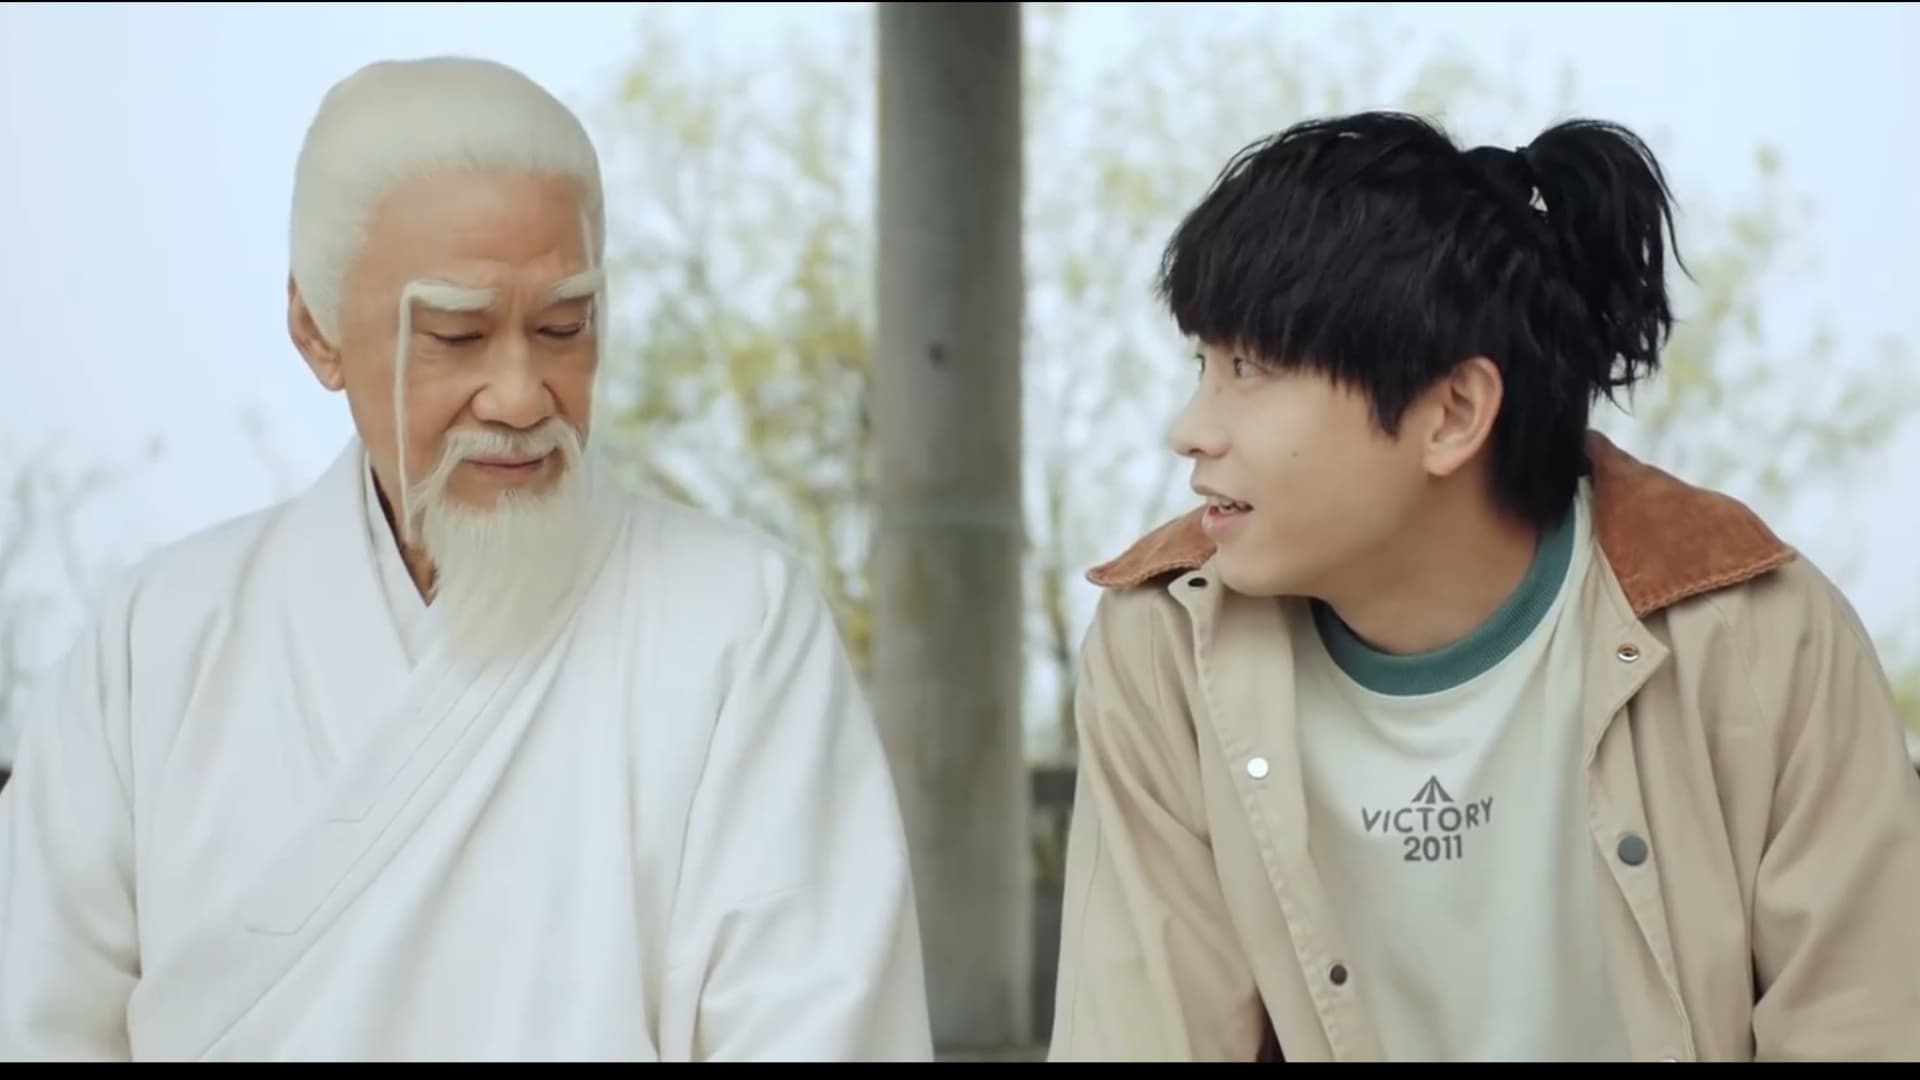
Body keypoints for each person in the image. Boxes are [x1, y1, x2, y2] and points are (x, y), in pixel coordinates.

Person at [0, 56, 932, 1063]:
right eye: (456, 333)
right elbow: (37, 1016)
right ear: (315, 330)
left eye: (564, 327)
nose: (522, 395)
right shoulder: (156, 644)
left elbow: (816, 1026)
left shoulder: (737, 623)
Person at [1047, 110, 1920, 1063]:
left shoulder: (1753, 635)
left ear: (1453, 413)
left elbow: (1866, 1025)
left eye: (1250, 368)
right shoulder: (1166, 643)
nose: (1189, 429)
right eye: (1203, 365)